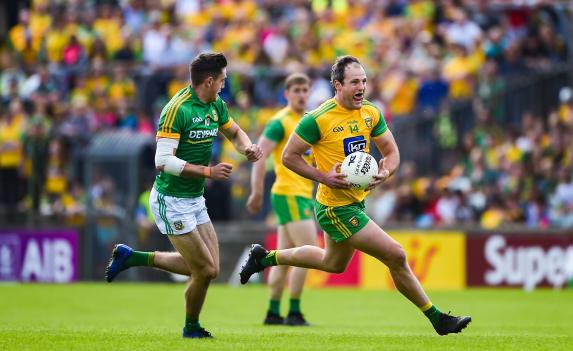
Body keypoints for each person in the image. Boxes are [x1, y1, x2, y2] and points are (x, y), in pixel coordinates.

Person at [240, 55, 471, 336]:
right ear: (338, 85)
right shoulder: (318, 119)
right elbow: (289, 156)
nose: (362, 86)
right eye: (354, 82)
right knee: (395, 255)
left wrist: (385, 172)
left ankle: (265, 258)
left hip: (356, 203)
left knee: (332, 264)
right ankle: (437, 319)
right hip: (334, 208)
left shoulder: (370, 112)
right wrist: (324, 177)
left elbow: (391, 152)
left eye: (364, 80)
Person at [105, 52, 262, 339]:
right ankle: (191, 328)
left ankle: (132, 258)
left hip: (194, 198)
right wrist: (208, 172)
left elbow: (236, 132)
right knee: (203, 271)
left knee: (210, 268)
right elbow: (162, 161)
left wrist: (248, 148)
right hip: (171, 200)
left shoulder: (215, 104)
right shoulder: (177, 109)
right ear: (209, 80)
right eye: (223, 80)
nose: (225, 85)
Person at [246, 73, 318, 326]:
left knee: (285, 257)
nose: (301, 94)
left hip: (300, 195)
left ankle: (273, 312)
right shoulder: (280, 122)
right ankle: (295, 312)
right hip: (289, 193)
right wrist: (256, 191)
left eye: (304, 90)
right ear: (286, 94)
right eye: (296, 90)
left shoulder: (309, 121)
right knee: (310, 253)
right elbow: (259, 154)